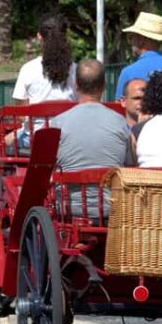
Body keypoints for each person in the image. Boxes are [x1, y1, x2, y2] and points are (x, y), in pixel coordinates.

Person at [51, 59, 130, 219]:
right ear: (103, 86)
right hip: (111, 207)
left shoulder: (58, 122)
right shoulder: (120, 122)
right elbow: (129, 163)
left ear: (75, 84)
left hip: (68, 208)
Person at [8, 14, 76, 150]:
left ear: (39, 36)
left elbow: (21, 115)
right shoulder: (76, 69)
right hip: (70, 137)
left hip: (36, 139)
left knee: (5, 143)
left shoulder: (28, 69)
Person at [114, 12, 162, 99]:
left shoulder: (128, 73)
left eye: (131, 37)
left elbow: (119, 108)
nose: (130, 41)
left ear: (141, 40)